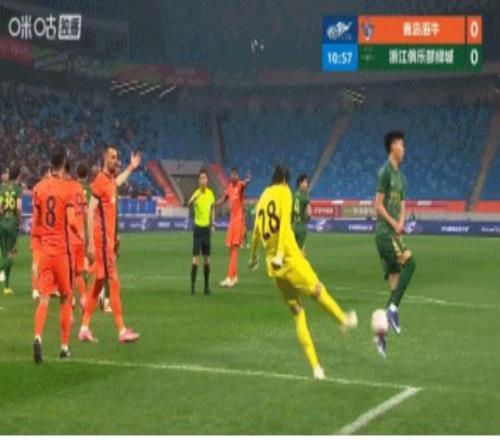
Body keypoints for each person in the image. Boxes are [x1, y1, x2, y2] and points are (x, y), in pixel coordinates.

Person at [249, 165, 357, 379]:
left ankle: (316, 368)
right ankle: (342, 320)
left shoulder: (263, 197)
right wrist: (281, 253)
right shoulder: (284, 192)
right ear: (285, 180)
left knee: (298, 312)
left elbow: (255, 232)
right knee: (317, 290)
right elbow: (284, 224)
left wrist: (253, 257)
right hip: (289, 258)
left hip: (274, 268)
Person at [78, 146, 141, 343]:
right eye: (113, 157)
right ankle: (121, 330)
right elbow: (90, 210)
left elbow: (118, 182)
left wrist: (131, 167)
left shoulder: (110, 180)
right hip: (102, 241)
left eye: (117, 157)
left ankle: (84, 328)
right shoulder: (99, 180)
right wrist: (90, 243)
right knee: (114, 282)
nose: (116, 160)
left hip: (108, 241)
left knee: (98, 284)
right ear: (105, 159)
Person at [32, 148, 81, 363]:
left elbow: (36, 224)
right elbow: (71, 221)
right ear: (64, 163)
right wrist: (80, 234)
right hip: (61, 253)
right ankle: (64, 347)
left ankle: (38, 336)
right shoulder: (67, 189)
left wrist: (36, 254)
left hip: (45, 251)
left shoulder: (38, 188)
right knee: (66, 298)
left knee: (44, 299)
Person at [374, 131, 417, 357]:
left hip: (394, 234)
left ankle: (380, 335)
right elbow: (378, 205)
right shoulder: (385, 173)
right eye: (401, 145)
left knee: (395, 287)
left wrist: (400, 224)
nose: (404, 149)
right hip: (384, 233)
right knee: (411, 263)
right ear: (393, 147)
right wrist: (393, 224)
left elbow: (402, 205)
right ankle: (392, 310)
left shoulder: (401, 178)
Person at [217, 168, 250, 288]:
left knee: (234, 249)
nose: (233, 176)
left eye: (235, 175)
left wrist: (248, 180)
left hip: (239, 220)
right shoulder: (229, 187)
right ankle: (234, 277)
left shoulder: (240, 185)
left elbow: (245, 184)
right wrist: (214, 205)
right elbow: (224, 199)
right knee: (230, 249)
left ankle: (229, 277)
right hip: (232, 221)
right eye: (232, 175)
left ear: (238, 176)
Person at [188, 169, 215, 295]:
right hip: (198, 229)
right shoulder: (196, 193)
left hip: (206, 229)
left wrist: (213, 224)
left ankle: (206, 287)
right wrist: (193, 199)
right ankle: (192, 287)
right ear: (199, 181)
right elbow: (188, 204)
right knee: (195, 259)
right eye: (201, 178)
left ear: (207, 180)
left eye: (205, 178)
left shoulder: (210, 194)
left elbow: (213, 208)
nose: (203, 180)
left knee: (207, 259)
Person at [0, 165, 22, 295]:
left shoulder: (2, 188)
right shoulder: (17, 188)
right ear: (18, 175)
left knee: (5, 254)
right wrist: (19, 220)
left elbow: (0, 208)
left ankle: (7, 287)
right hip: (12, 225)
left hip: (2, 223)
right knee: (12, 254)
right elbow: (18, 207)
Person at [31, 164, 51, 300]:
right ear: (46, 173)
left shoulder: (36, 188)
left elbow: (36, 210)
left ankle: (36, 288)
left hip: (37, 229)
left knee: (37, 261)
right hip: (46, 230)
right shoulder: (50, 187)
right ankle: (42, 287)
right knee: (45, 260)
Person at [292, 174, 312, 253]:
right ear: (300, 183)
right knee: (301, 251)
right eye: (305, 182)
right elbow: (309, 212)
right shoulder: (305, 196)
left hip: (293, 226)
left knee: (293, 250)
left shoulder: (294, 195)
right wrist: (307, 219)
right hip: (301, 226)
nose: (306, 184)